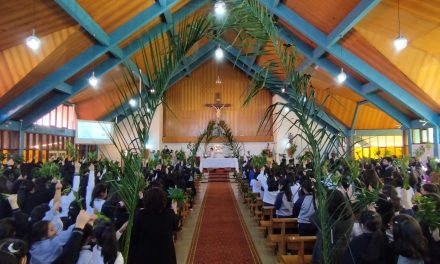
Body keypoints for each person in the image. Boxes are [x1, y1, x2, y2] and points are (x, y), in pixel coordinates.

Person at [129, 187, 179, 264]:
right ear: (163, 200)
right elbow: (176, 225)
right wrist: (175, 210)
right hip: (165, 256)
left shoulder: (140, 215)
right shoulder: (169, 214)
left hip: (145, 256)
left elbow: (135, 236)